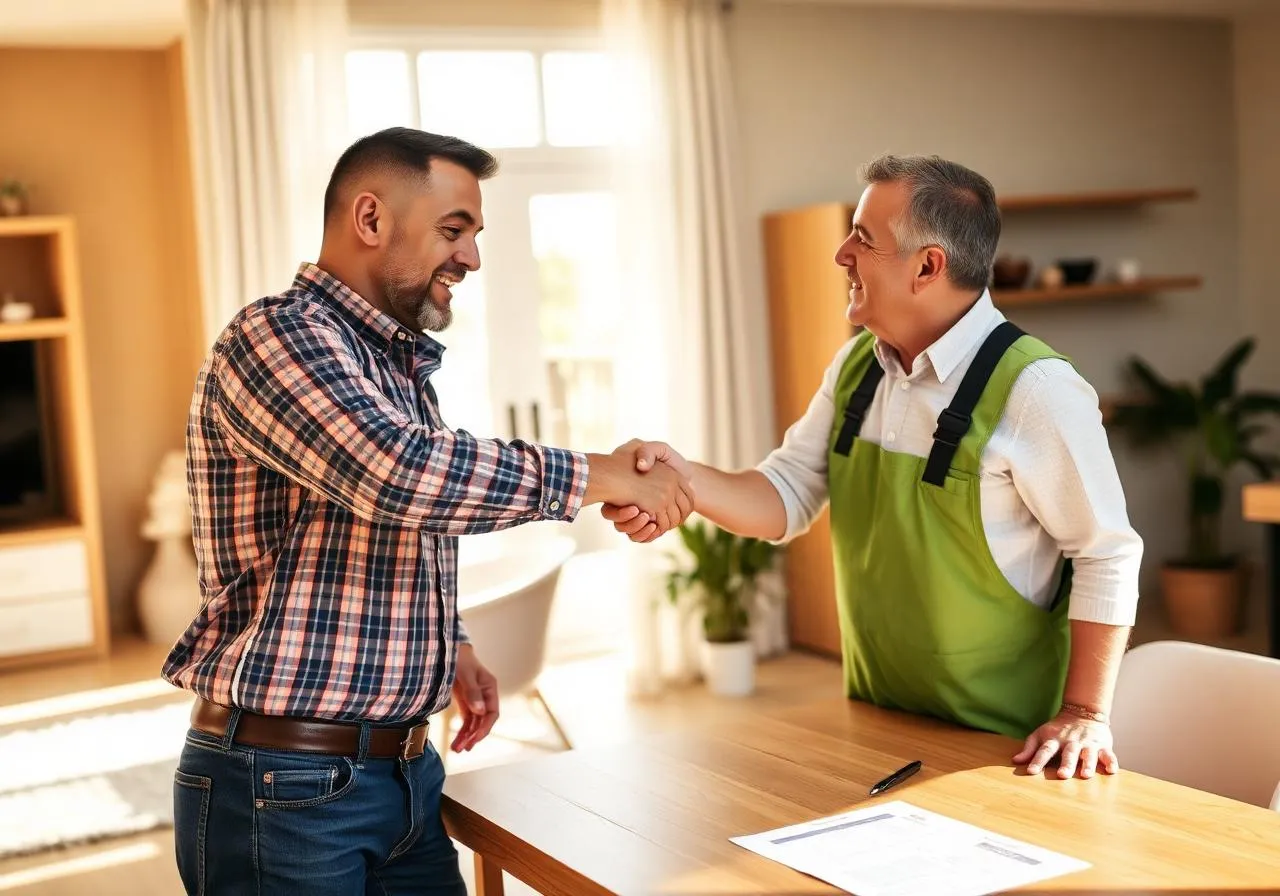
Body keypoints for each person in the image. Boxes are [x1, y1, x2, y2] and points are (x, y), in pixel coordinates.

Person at [162, 127, 693, 896]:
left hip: (402, 777)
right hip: (284, 787)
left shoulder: (389, 364)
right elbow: (398, 474)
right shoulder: (275, 336)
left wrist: (453, 644)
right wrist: (601, 473)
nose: (472, 258)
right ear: (371, 219)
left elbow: (386, 525)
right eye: (455, 230)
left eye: (474, 235)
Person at [605, 154, 1144, 782]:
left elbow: (1107, 551)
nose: (841, 254)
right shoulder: (859, 366)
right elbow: (786, 491)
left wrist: (1084, 710)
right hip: (880, 726)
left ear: (928, 266)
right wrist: (682, 479)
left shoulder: (1038, 391)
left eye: (862, 238)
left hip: (1007, 750)